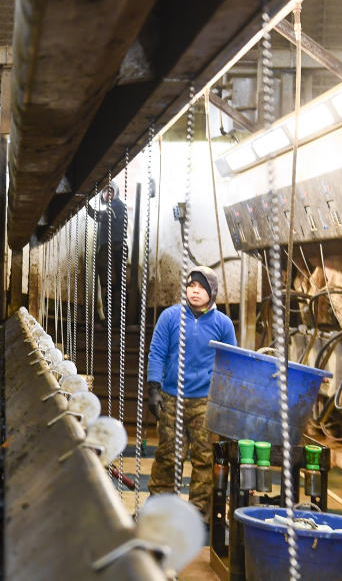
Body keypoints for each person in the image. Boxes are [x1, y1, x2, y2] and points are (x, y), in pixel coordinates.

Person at [146, 265, 237, 523]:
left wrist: (227, 399)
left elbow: (230, 363)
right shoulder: (170, 317)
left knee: (204, 456)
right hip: (171, 396)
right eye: (191, 286)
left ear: (212, 292)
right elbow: (157, 352)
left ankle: (199, 513)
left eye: (201, 287)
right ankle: (160, 507)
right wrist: (154, 387)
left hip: (205, 401)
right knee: (168, 453)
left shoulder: (222, 324)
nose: (195, 291)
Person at [86, 181, 126, 324]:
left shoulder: (117, 207)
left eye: (110, 191)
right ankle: (111, 317)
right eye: (104, 191)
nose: (107, 194)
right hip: (109, 248)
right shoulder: (113, 208)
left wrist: (86, 205)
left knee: (111, 284)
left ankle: (114, 318)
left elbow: (100, 216)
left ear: (115, 193)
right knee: (109, 284)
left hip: (114, 249)